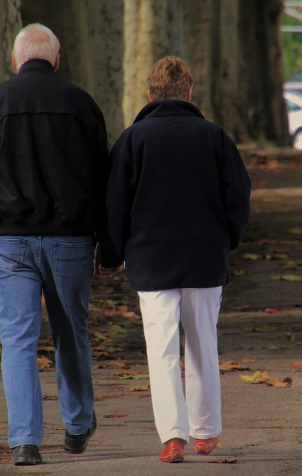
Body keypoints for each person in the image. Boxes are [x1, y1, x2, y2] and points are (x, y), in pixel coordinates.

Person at [0, 23, 120, 466]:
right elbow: (104, 179)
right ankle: (79, 424)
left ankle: (25, 441)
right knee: (71, 333)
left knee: (18, 338)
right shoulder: (82, 105)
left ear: (16, 59)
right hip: (71, 239)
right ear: (57, 59)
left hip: (8, 238)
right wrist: (109, 241)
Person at [104, 56, 251, 463]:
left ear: (149, 95)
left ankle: (173, 435)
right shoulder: (215, 137)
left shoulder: (133, 140)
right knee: (204, 343)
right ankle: (206, 431)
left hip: (150, 261)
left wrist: (112, 253)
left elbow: (115, 205)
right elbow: (238, 197)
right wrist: (229, 240)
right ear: (189, 93)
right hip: (205, 258)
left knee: (162, 349)